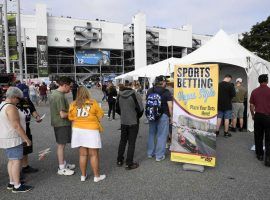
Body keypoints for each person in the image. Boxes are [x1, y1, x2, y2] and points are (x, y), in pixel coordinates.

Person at [68, 86, 106, 182]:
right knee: (94, 154)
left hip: (78, 130)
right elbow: (101, 115)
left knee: (82, 154)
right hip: (91, 130)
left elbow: (70, 117)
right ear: (87, 93)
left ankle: (83, 176)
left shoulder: (73, 104)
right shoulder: (93, 102)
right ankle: (96, 176)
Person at [0, 87, 33, 193]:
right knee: (16, 161)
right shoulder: (11, 108)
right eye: (18, 99)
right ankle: (17, 186)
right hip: (13, 137)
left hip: (6, 136)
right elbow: (16, 125)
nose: (19, 101)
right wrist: (26, 138)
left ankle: (12, 182)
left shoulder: (2, 105)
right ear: (14, 97)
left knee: (12, 160)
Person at [49, 76, 75, 176]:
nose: (71, 89)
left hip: (58, 123)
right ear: (64, 85)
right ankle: (62, 168)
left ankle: (63, 163)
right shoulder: (59, 96)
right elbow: (63, 115)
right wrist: (74, 113)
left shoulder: (54, 93)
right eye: (70, 86)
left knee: (61, 145)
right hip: (61, 123)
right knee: (61, 145)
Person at [116, 78, 144, 170]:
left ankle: (119, 160)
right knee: (131, 143)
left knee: (122, 141)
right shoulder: (135, 94)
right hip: (133, 121)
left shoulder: (119, 95)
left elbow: (117, 109)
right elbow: (140, 109)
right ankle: (129, 163)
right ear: (132, 84)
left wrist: (124, 115)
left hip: (124, 121)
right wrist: (135, 116)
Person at [146, 76, 173, 161]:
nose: (166, 83)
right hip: (163, 115)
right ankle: (159, 156)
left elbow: (147, 102)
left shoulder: (150, 90)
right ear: (163, 82)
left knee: (151, 134)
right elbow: (170, 106)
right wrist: (171, 117)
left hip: (152, 115)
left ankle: (150, 153)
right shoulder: (166, 92)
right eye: (165, 82)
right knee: (162, 135)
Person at [16, 95, 42, 174]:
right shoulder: (12, 102)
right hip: (17, 129)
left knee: (26, 148)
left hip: (27, 127)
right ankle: (16, 171)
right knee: (17, 150)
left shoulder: (26, 99)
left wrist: (37, 117)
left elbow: (32, 110)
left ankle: (25, 167)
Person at [249, 74, 270, 166]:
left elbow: (251, 105)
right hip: (268, 116)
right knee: (268, 138)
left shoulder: (254, 91)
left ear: (259, 81)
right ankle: (268, 158)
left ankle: (259, 154)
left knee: (258, 136)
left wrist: (253, 115)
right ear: (267, 81)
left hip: (258, 115)